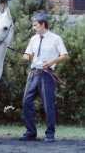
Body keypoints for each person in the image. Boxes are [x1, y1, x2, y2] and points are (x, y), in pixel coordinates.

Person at [19, 12, 69, 142]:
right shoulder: (33, 39)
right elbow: (26, 55)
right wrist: (28, 56)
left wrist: (52, 61)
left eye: (35, 25)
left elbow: (65, 56)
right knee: (26, 102)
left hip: (47, 75)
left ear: (42, 24)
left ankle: (50, 134)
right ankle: (31, 133)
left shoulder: (56, 38)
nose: (33, 28)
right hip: (33, 74)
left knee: (48, 105)